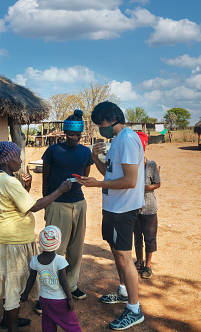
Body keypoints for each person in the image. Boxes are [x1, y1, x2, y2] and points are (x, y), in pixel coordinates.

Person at [0, 141, 72, 332]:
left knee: (10, 281)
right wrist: (59, 191)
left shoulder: (0, 179)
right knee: (14, 283)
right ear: (7, 161)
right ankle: (12, 328)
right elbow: (34, 206)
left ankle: (8, 321)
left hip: (8, 237)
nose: (20, 160)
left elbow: (19, 203)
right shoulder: (8, 181)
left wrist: (27, 186)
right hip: (13, 239)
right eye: (17, 157)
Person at [77, 101, 145, 330]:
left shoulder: (126, 140)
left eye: (98, 124)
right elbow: (110, 173)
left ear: (106, 121)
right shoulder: (117, 141)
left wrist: (97, 185)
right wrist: (95, 158)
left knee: (125, 258)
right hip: (113, 207)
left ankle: (134, 310)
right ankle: (124, 292)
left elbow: (130, 181)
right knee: (117, 254)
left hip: (123, 209)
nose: (99, 129)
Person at [40, 109, 93, 310]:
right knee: (54, 250)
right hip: (57, 204)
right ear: (64, 133)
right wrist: (47, 200)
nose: (73, 138)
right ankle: (48, 292)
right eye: (70, 134)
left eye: (77, 135)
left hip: (79, 203)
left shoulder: (85, 152)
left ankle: (71, 285)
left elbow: (85, 176)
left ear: (81, 134)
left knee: (75, 249)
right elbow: (46, 177)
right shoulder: (53, 151)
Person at [21, 226, 82, 332]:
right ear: (58, 243)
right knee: (71, 325)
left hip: (44, 300)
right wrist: (70, 298)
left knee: (48, 324)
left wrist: (25, 293)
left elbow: (31, 278)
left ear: (41, 242)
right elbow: (63, 281)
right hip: (60, 300)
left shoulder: (35, 260)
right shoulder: (59, 260)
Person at [133, 132, 161, 279]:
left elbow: (158, 183)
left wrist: (144, 188)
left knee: (149, 237)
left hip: (149, 207)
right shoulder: (130, 165)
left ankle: (148, 265)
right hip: (134, 207)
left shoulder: (151, 165)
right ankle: (139, 261)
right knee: (137, 237)